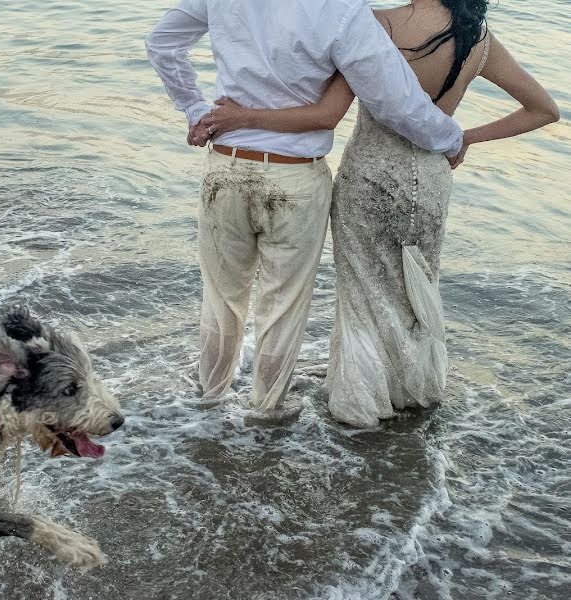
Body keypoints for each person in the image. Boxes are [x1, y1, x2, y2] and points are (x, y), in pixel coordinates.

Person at [200, 0, 560, 426]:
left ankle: (359, 396)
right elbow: (545, 110)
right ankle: (409, 389)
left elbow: (327, 110)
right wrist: (464, 138)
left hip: (370, 173)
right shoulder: (479, 40)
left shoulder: (378, 23)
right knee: (413, 286)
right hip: (430, 176)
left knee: (362, 288)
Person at [145, 0, 465, 413]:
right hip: (294, 176)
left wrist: (193, 108)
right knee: (283, 306)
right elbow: (396, 100)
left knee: (221, 298)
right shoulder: (343, 10)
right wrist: (451, 138)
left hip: (225, 166)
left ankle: (208, 402)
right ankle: (267, 409)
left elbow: (161, 44)